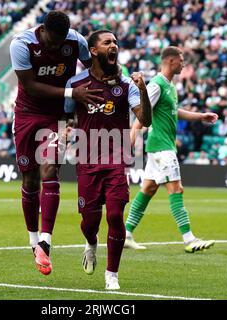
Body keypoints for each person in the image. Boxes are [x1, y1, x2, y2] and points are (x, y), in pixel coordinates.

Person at [9, 10, 104, 275]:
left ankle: (45, 240)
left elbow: (93, 70)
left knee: (51, 169)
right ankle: (32, 240)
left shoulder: (76, 41)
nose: (56, 46)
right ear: (42, 30)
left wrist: (83, 102)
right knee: (29, 180)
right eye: (52, 41)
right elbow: (30, 86)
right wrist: (72, 91)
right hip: (27, 114)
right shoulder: (21, 44)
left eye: (61, 42)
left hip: (56, 116)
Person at [64, 30, 152, 290]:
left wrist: (143, 90)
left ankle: (111, 273)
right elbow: (65, 115)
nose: (114, 45)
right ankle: (91, 243)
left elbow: (144, 120)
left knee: (115, 215)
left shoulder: (126, 85)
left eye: (115, 42)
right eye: (107, 42)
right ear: (93, 50)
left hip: (116, 159)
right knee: (90, 222)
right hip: (87, 160)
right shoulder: (76, 83)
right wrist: (64, 131)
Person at [124, 46, 218, 252]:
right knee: (176, 189)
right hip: (162, 148)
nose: (183, 64)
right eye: (181, 60)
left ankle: (126, 234)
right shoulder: (156, 85)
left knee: (148, 189)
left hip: (159, 147)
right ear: (170, 61)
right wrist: (131, 137)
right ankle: (189, 239)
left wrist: (200, 116)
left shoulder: (170, 86)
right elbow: (142, 113)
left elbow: (175, 112)